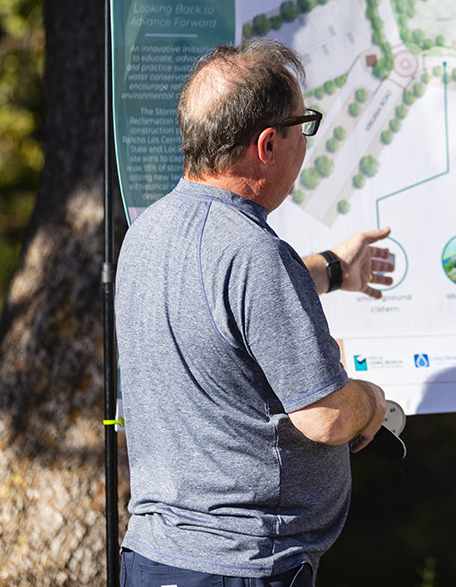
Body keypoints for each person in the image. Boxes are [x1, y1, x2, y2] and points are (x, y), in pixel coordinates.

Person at [115, 39, 395, 587]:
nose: (306, 142)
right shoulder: (254, 255)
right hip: (243, 567)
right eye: (304, 125)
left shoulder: (148, 231)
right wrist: (369, 402)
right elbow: (328, 417)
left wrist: (335, 268)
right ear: (268, 144)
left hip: (155, 558)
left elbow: (223, 306)